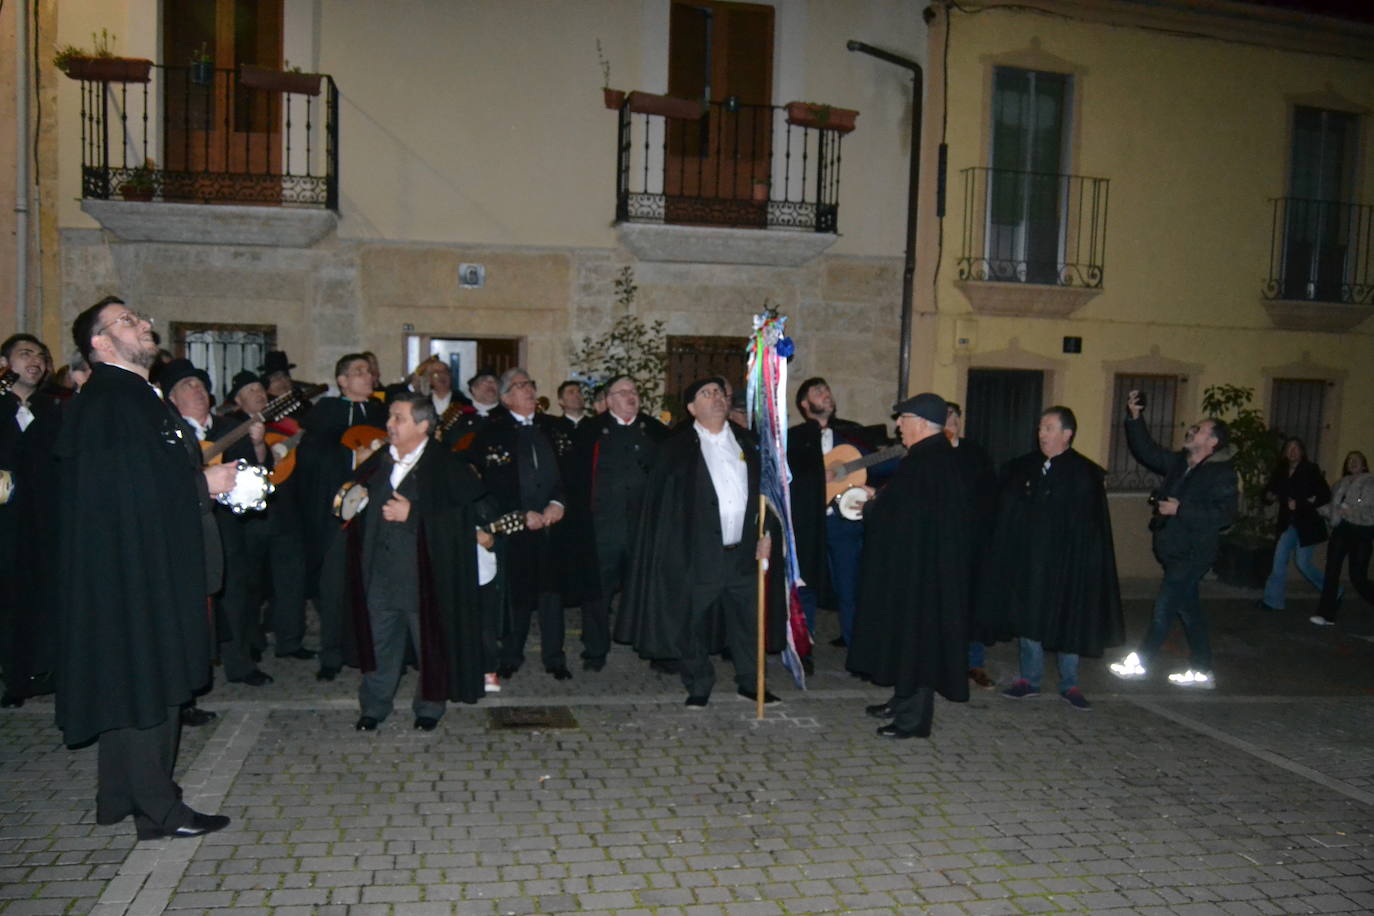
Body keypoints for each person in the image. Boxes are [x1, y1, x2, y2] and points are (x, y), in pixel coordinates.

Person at [56, 296, 238, 841]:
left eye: (140, 317)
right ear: (101, 343)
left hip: (144, 564)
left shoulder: (132, 396)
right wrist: (198, 485)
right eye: (128, 321)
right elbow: (117, 489)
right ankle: (160, 810)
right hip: (132, 574)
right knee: (143, 682)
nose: (145, 325)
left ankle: (124, 796)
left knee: (134, 679)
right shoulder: (111, 399)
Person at [616, 377, 784, 707]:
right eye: (706, 394)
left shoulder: (750, 444)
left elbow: (770, 496)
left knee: (748, 621)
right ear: (692, 408)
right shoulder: (676, 449)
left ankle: (751, 682)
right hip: (697, 556)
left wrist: (767, 535)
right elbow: (664, 511)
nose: (716, 398)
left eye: (719, 392)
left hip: (743, 553)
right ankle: (699, 680)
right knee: (688, 621)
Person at [343, 394, 492, 731]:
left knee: (430, 646)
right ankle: (374, 706)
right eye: (391, 417)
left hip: (424, 576)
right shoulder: (378, 461)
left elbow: (457, 520)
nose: (389, 425)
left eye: (398, 418)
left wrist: (414, 515)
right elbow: (349, 501)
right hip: (379, 573)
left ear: (423, 426)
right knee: (379, 644)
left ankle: (429, 706)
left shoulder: (445, 465)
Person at [848, 393, 974, 739]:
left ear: (920, 422)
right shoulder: (928, 457)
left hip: (922, 574)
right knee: (909, 640)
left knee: (919, 642)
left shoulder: (927, 461)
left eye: (903, 419)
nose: (898, 425)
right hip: (919, 568)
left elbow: (903, 516)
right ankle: (902, 701)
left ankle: (913, 720)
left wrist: (874, 506)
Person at [982, 407, 1124, 711]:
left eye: (1048, 428)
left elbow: (1089, 525)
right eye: (1040, 428)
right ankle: (1029, 679)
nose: (1041, 434)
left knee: (1068, 617)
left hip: (1067, 563)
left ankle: (1069, 682)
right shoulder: (1023, 468)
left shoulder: (1084, 473)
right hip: (1029, 562)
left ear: (1066, 434)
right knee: (1029, 617)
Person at [1109, 391, 1237, 689]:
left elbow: (1226, 515)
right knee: (1188, 611)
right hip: (1173, 550)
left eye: (1200, 429)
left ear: (1213, 442)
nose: (1192, 430)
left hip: (1193, 553)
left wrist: (1181, 509)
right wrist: (1135, 417)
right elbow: (1147, 451)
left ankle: (1139, 661)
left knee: (1164, 609)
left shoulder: (1221, 475)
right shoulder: (1182, 463)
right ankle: (1203, 669)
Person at [162, 360, 276, 688]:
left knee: (236, 593)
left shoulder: (229, 427)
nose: (198, 391)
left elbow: (259, 472)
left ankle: (240, 664)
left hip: (227, 526)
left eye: (200, 385)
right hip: (184, 528)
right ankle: (189, 676)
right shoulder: (167, 431)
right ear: (172, 397)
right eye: (188, 386)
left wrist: (256, 443)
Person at [467, 369, 571, 680]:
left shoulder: (553, 429)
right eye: (520, 385)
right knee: (517, 594)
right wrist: (520, 513)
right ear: (505, 397)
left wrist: (558, 503)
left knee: (553, 594)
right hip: (514, 527)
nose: (528, 390)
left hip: (554, 524)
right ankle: (510, 655)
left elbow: (570, 473)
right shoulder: (491, 432)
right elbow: (485, 484)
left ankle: (555, 657)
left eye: (530, 383)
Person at [562, 376, 669, 671]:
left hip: (643, 529)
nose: (630, 396)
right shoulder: (589, 431)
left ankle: (656, 650)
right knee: (597, 593)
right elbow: (573, 479)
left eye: (634, 391)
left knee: (648, 591)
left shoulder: (656, 431)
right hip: (602, 529)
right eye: (623, 392)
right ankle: (595, 650)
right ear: (608, 400)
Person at [296, 353, 388, 679]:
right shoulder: (324, 414)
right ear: (342, 381)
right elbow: (310, 460)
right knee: (334, 585)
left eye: (369, 371)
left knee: (376, 583)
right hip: (336, 513)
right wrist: (352, 457)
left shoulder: (382, 412)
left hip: (376, 512)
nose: (367, 376)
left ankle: (372, 650)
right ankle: (331, 655)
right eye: (358, 372)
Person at [786, 377, 876, 656]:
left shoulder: (849, 437)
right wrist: (815, 477)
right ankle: (804, 649)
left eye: (827, 389)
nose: (826, 394)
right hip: (808, 524)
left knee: (849, 588)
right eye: (818, 391)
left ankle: (857, 650)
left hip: (842, 524)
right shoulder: (794, 437)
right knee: (806, 587)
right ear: (805, 404)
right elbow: (785, 477)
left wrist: (872, 487)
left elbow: (880, 464)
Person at [0, 334, 67, 708]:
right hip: (7, 522)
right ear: (6, 362)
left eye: (41, 356)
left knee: (46, 593)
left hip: (45, 519)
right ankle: (15, 676)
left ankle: (47, 670)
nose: (36, 362)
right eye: (26, 355)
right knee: (9, 599)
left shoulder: (53, 409)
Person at [944, 402, 998, 689]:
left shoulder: (976, 454)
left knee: (973, 604)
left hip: (972, 543)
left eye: (954, 416)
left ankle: (974, 663)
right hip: (942, 544)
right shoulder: (932, 454)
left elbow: (989, 496)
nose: (951, 421)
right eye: (945, 416)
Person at [1258, 437, 1331, 611]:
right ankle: (1273, 601)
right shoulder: (1281, 471)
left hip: (1307, 523)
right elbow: (1269, 492)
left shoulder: (1310, 469)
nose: (1292, 451)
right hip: (1288, 524)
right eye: (1289, 448)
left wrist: (1301, 503)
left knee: (1303, 564)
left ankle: (1332, 591)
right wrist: (1269, 496)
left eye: (1296, 448)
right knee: (1279, 561)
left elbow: (1324, 495)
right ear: (1284, 452)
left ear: (1302, 452)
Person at [1312, 451, 1374, 627]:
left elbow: (1372, 513)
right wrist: (1320, 509)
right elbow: (1333, 508)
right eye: (1349, 460)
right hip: (1342, 530)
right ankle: (1326, 614)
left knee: (1358, 577)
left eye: (1357, 460)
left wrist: (1352, 512)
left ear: (1364, 465)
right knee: (1332, 570)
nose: (1352, 462)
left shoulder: (1371, 483)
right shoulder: (1340, 484)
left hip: (1362, 532)